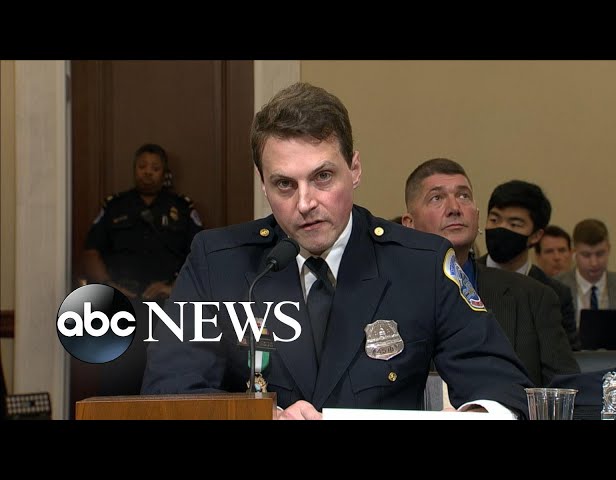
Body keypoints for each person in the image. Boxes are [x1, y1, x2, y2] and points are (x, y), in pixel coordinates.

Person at [141, 82, 533, 419]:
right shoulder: (217, 261)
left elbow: (501, 385)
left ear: (355, 169)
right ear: (262, 183)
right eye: (284, 184)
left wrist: (476, 414)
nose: (305, 203)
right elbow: (168, 391)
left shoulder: (421, 264)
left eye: (323, 177)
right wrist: (262, 415)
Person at [402, 158, 578, 386]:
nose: (454, 208)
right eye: (437, 198)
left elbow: (567, 392)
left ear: (476, 216)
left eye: (464, 196)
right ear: (409, 224)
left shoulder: (534, 297)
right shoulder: (384, 296)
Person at [84, 142, 203, 394]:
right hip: (121, 307)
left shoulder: (182, 208)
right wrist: (108, 286)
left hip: (166, 308)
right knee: (117, 379)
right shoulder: (114, 206)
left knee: (166, 378)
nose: (148, 172)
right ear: (134, 169)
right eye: (142, 166)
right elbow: (91, 252)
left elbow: (199, 257)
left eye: (155, 168)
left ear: (165, 173)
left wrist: (173, 287)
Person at [477, 180, 581, 351]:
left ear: (536, 236)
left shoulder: (554, 294)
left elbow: (568, 356)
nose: (501, 228)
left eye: (514, 224)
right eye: (494, 219)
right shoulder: (462, 278)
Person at [555, 219, 616, 327]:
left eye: (600, 254)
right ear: (574, 253)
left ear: (609, 249)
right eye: (586, 255)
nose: (594, 263)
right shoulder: (555, 289)